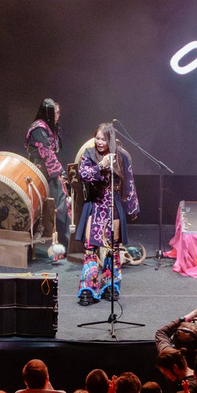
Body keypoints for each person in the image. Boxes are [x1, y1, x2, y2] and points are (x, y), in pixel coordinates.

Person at [76, 123, 139, 307]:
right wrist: (100, 167)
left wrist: (132, 207)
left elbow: (129, 182)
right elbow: (83, 175)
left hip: (113, 206)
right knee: (91, 247)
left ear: (110, 139)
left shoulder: (122, 156)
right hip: (95, 205)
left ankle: (110, 285)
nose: (99, 142)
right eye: (97, 138)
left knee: (113, 248)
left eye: (103, 139)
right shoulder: (89, 154)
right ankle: (88, 286)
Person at [27, 99, 71, 262]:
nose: (58, 116)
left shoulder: (48, 127)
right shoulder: (39, 128)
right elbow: (47, 154)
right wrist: (61, 173)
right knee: (59, 203)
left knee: (60, 204)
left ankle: (63, 243)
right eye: (56, 113)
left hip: (49, 169)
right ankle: (61, 243)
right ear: (48, 114)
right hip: (42, 170)